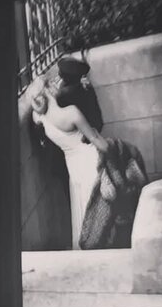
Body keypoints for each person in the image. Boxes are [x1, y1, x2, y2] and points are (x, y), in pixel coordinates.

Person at [31, 77, 110, 249]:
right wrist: (112, 149)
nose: (58, 84)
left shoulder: (39, 117)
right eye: (53, 82)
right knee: (98, 203)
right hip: (89, 159)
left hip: (73, 165)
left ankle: (86, 245)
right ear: (48, 90)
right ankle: (102, 244)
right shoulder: (71, 112)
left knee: (82, 205)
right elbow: (95, 139)